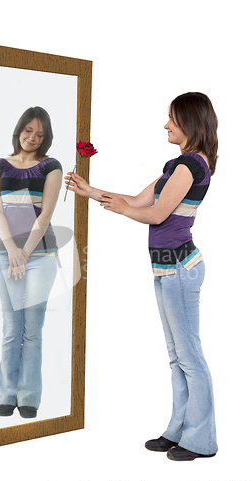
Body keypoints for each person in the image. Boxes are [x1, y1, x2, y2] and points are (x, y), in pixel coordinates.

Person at [64, 92, 218, 461]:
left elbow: (156, 215)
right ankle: (178, 430)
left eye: (172, 119)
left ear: (190, 123)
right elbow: (136, 200)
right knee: (176, 356)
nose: (166, 125)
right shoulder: (175, 165)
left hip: (181, 268)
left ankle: (201, 441)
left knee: (190, 356)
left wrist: (120, 210)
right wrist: (89, 192)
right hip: (166, 267)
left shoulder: (191, 166)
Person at [0, 106, 62, 419]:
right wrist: (12, 250)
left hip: (41, 256)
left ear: (45, 139)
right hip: (5, 255)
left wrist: (25, 252)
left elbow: (45, 215)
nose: (32, 137)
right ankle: (6, 394)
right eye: (29, 130)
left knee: (32, 330)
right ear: (20, 129)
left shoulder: (51, 166)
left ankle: (29, 397)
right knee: (10, 328)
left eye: (40, 134)